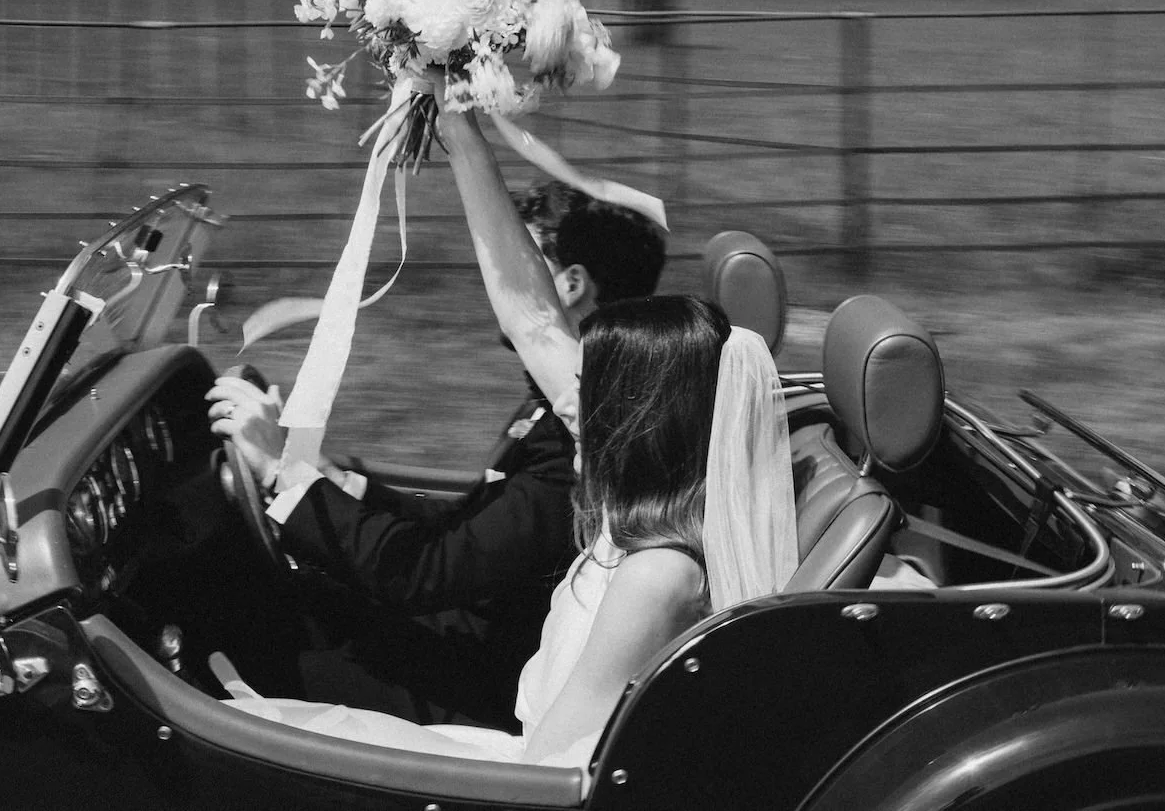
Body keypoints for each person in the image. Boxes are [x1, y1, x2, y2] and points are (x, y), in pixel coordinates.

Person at [216, 107, 798, 766]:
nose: (567, 402)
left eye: (589, 391)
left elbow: (545, 774)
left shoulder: (657, 572)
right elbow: (532, 318)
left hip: (513, 775)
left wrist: (285, 476)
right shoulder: (631, 503)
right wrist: (456, 121)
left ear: (636, 417)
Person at [205, 172, 667, 728]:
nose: (493, 280)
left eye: (514, 261)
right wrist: (337, 482)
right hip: (476, 637)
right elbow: (466, 532)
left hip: (490, 686)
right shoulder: (562, 403)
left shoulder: (584, 436)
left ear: (570, 285)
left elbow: (425, 573)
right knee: (289, 606)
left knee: (260, 661)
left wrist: (283, 476)